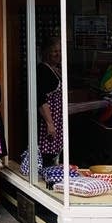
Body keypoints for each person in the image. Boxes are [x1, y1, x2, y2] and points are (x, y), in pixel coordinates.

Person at [37, 36, 63, 167]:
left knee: (54, 154)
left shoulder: (55, 70)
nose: (57, 54)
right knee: (46, 154)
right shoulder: (43, 70)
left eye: (59, 51)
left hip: (57, 120)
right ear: (46, 52)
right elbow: (41, 100)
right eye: (54, 51)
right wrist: (50, 124)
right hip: (48, 121)